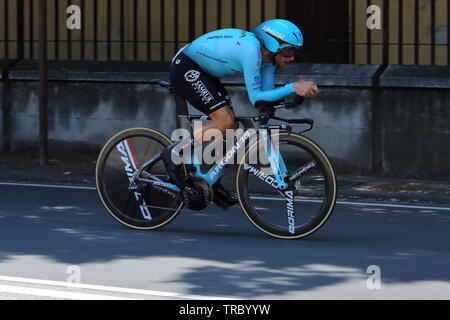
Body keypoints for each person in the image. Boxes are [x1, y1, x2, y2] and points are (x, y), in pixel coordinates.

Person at [162, 19, 319, 209]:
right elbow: (256, 97)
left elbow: (265, 100)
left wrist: (294, 97)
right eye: (288, 51)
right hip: (187, 66)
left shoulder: (268, 60)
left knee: (232, 127)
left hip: (204, 70)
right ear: (272, 44)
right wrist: (292, 87)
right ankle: (175, 152)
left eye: (295, 52)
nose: (292, 57)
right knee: (225, 121)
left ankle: (212, 181)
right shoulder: (252, 51)